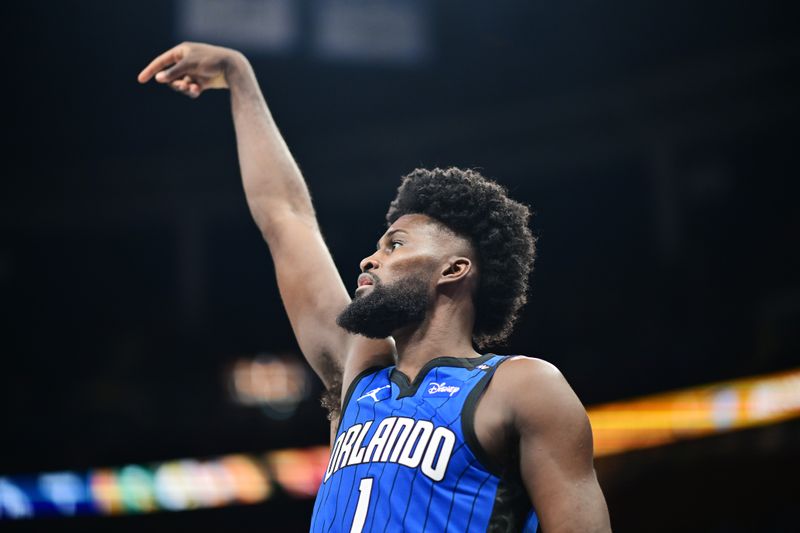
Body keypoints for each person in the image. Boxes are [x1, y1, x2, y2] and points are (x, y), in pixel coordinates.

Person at [138, 42, 611, 533]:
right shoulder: (359, 375)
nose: (369, 258)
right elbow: (287, 221)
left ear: (453, 270)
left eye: (395, 245)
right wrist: (240, 78)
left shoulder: (521, 387)